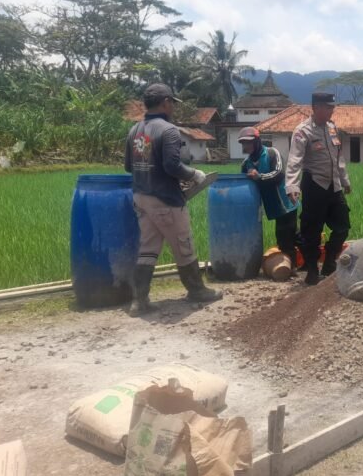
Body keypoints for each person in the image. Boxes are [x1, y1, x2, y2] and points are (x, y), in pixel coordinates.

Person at [124, 83, 222, 316]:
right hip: (165, 199)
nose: (173, 108)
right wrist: (194, 174)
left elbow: (129, 166)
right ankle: (197, 290)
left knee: (148, 248)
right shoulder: (169, 131)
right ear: (166, 102)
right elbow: (172, 166)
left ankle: (139, 301)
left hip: (141, 197)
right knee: (183, 245)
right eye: (172, 104)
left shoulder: (135, 130)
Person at [285, 92, 351, 286]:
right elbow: (294, 160)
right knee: (311, 231)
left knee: (343, 226)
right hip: (314, 185)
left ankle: (329, 261)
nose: (332, 111)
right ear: (317, 107)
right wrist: (292, 186)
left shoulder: (332, 128)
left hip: (334, 185)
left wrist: (345, 181)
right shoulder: (303, 131)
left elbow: (338, 158)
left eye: (332, 107)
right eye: (329, 107)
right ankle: (312, 269)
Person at [238, 127, 298, 272]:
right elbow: (245, 185)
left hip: (285, 203)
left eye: (249, 142)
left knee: (286, 236)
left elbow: (279, 173)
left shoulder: (271, 153)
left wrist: (259, 177)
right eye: (244, 143)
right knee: (290, 235)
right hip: (272, 206)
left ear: (257, 141)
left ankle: (292, 267)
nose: (246, 146)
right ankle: (299, 264)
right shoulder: (246, 164)